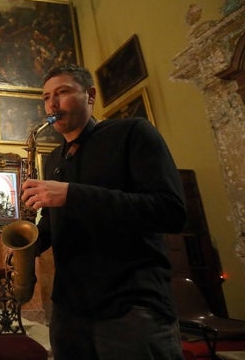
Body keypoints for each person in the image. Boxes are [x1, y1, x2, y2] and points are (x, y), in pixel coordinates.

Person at [20, 64, 186, 360]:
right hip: (69, 311)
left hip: (131, 307)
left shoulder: (132, 132)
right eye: (46, 97)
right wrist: (32, 242)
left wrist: (72, 194)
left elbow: (170, 211)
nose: (52, 105)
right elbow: (58, 219)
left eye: (63, 92)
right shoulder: (54, 157)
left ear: (91, 95)